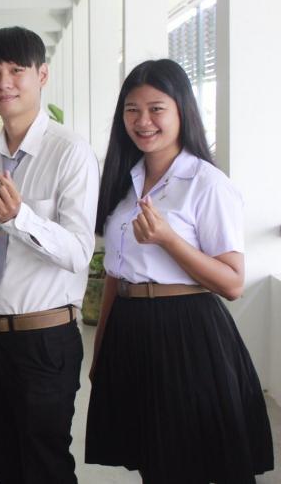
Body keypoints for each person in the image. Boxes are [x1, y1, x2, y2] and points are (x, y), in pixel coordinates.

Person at [86, 59, 273, 483]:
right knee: (153, 462)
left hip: (186, 333)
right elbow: (116, 273)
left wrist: (169, 240)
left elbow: (232, 282)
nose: (143, 121)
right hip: (129, 329)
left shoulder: (207, 183)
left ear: (182, 111)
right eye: (132, 110)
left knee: (191, 460)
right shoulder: (124, 181)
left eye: (156, 109)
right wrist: (101, 352)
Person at [0, 26, 99, 484]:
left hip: (43, 340)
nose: (2, 83)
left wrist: (21, 218)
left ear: (42, 75)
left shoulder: (70, 152)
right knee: (4, 461)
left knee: (45, 466)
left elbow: (79, 252)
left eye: (15, 71)